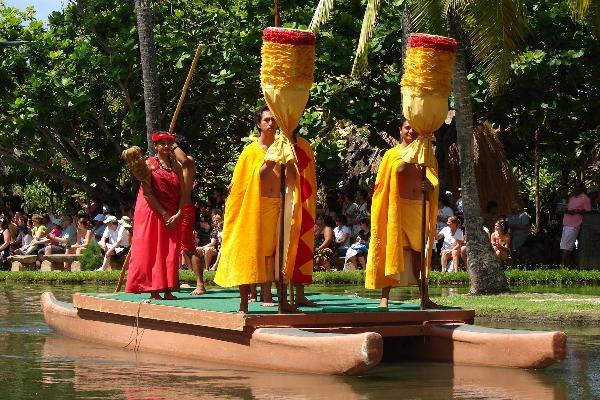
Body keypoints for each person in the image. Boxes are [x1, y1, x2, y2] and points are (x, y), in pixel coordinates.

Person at [214, 106, 298, 312]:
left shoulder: (282, 146)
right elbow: (250, 179)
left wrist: (287, 158)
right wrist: (271, 160)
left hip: (277, 204)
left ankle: (282, 301)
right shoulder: (250, 152)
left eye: (273, 120)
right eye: (267, 120)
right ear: (258, 124)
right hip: (254, 208)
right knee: (249, 251)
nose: (271, 123)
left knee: (278, 253)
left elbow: (292, 178)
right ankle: (244, 303)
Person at [365, 118, 439, 308]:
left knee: (418, 253)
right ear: (400, 130)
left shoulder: (426, 155)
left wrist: (430, 187)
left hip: (418, 207)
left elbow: (433, 180)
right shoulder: (393, 154)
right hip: (397, 208)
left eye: (414, 128)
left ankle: (425, 297)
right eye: (407, 127)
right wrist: (414, 151)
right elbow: (398, 170)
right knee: (393, 250)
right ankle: (385, 299)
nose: (411, 131)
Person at [125, 131, 184, 300]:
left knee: (170, 250)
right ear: (155, 146)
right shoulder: (148, 165)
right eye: (162, 143)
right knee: (154, 250)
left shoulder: (176, 166)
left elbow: (183, 192)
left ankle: (167, 289)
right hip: (153, 211)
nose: (166, 146)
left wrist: (179, 212)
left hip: (173, 211)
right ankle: (153, 289)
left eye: (168, 143)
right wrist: (164, 213)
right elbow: (148, 194)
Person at [172, 136, 205, 295]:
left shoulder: (189, 161)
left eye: (171, 145)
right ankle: (174, 283)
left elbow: (184, 160)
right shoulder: (170, 164)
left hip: (184, 208)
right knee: (172, 248)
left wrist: (171, 143)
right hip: (171, 209)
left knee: (188, 248)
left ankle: (200, 284)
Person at [560, 180, 592, 267]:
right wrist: (567, 210)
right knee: (566, 246)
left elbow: (588, 211)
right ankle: (567, 265)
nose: (576, 188)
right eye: (575, 187)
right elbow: (567, 208)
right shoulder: (572, 198)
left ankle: (563, 266)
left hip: (574, 225)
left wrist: (577, 211)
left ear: (582, 188)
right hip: (566, 223)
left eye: (578, 187)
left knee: (567, 247)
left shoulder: (585, 198)